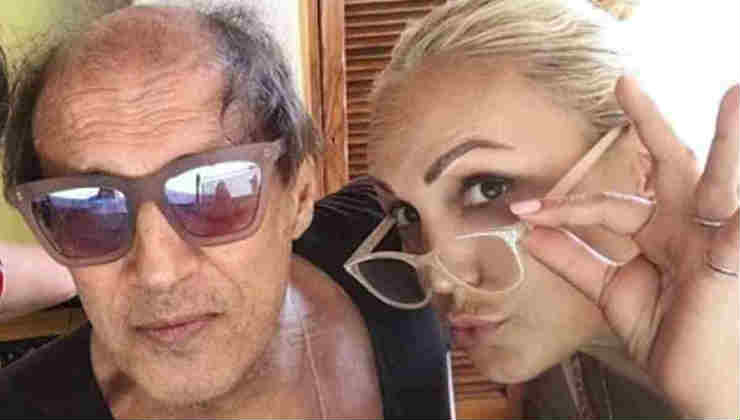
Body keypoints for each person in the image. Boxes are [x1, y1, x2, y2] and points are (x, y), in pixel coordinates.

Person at [0, 4, 451, 418]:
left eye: (213, 191)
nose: (159, 273)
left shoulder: (405, 243)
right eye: (88, 210)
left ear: (298, 196)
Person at [344, 0, 738, 418]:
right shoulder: (551, 381)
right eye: (405, 214)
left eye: (488, 188)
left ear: (643, 167)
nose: (439, 279)